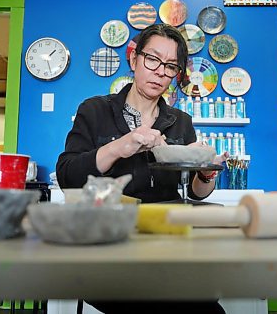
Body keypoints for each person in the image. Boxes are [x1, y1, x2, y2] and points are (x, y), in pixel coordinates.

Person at [56, 23, 226, 314]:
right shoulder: (95, 110)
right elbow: (68, 176)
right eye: (153, 59)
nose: (161, 71)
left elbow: (197, 193)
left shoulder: (181, 122)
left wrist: (205, 172)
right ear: (134, 59)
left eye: (171, 66)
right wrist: (120, 146)